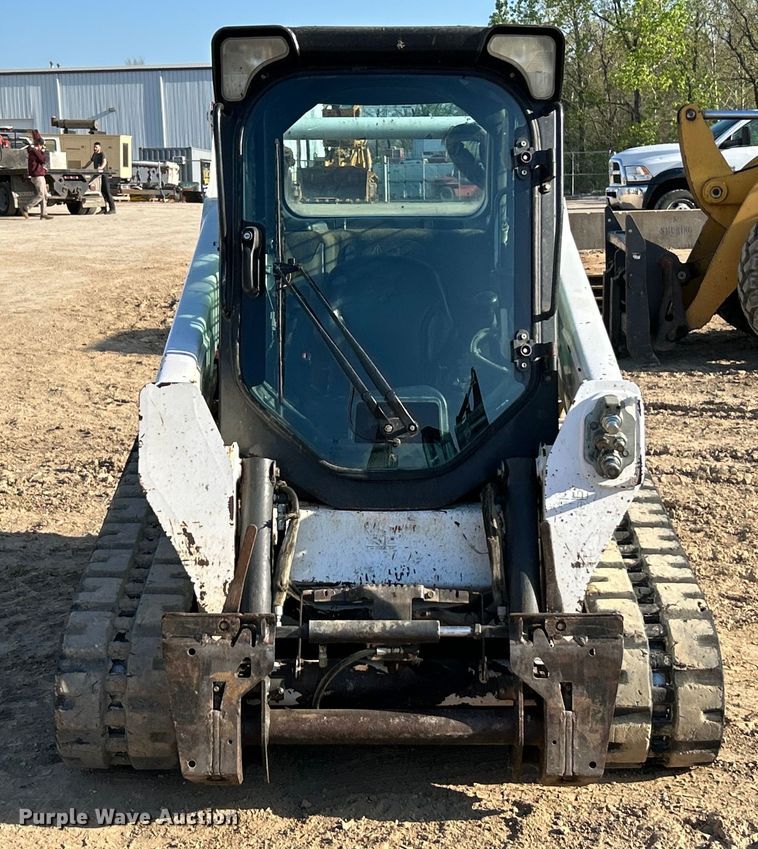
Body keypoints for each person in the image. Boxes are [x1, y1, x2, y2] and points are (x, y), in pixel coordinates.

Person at [20, 132, 52, 220]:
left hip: (40, 174)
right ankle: (26, 207)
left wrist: (43, 168)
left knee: (45, 195)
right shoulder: (35, 151)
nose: (42, 148)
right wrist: (42, 152)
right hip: (37, 176)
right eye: (42, 146)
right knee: (41, 194)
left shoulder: (34, 151)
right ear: (39, 145)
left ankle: (44, 213)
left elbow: (39, 163)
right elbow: (43, 159)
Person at [82, 141, 116, 214]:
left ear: (100, 148)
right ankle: (103, 209)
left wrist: (101, 167)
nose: (95, 148)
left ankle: (112, 209)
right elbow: (90, 161)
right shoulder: (94, 154)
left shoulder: (102, 154)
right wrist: (84, 167)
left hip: (104, 175)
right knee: (101, 192)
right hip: (98, 176)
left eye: (96, 147)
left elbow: (104, 162)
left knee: (106, 192)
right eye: (94, 147)